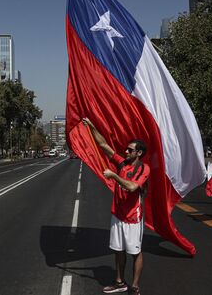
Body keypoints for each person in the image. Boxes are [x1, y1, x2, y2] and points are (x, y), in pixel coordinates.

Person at [83, 118, 149, 295]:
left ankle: (134, 286)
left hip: (133, 218)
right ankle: (119, 282)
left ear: (139, 153)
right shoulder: (122, 163)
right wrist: (91, 125)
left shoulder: (144, 169)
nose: (126, 151)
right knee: (118, 251)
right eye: (127, 149)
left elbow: (133, 187)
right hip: (117, 215)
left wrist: (113, 176)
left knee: (135, 252)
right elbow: (104, 144)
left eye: (130, 150)